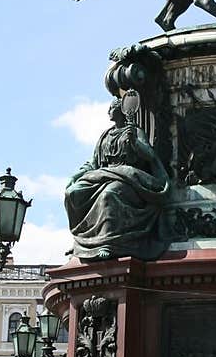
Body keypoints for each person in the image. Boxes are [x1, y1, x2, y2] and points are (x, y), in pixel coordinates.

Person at [64, 100, 171, 260]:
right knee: (73, 193)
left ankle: (108, 243)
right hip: (104, 173)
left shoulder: (134, 131)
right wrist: (75, 176)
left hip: (127, 176)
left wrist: (134, 142)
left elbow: (149, 155)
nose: (109, 110)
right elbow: (93, 162)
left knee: (109, 195)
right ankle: (83, 239)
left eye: (112, 107)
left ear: (121, 110)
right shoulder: (105, 135)